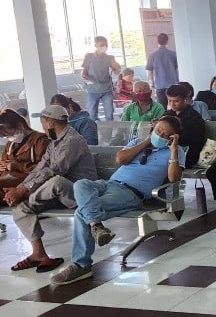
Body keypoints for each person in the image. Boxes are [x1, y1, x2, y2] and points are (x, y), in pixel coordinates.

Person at [51, 116, 186, 285]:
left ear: (172, 138)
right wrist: (145, 142)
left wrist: (173, 150)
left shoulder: (176, 151)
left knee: (81, 212)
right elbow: (120, 159)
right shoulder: (137, 142)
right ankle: (97, 226)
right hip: (109, 184)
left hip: (130, 193)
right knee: (81, 184)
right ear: (153, 127)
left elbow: (174, 178)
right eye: (158, 129)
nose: (159, 135)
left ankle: (81, 264)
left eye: (165, 135)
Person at [5, 105, 97, 272]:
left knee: (57, 181)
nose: (43, 128)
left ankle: (29, 197)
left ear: (49, 123)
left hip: (79, 193)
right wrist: (20, 187)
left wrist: (25, 190)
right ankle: (38, 254)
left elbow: (54, 170)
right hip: (56, 195)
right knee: (20, 207)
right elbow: (40, 168)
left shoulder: (73, 141)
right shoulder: (54, 143)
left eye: (42, 124)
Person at [0, 110, 48, 266]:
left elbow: (44, 170)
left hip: (28, 186)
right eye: (4, 136)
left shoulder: (40, 140)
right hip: (7, 185)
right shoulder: (10, 144)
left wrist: (17, 165)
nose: (7, 138)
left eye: (8, 133)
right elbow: (1, 173)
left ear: (19, 125)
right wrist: (2, 167)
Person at [164, 85, 206, 169]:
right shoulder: (167, 115)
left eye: (176, 101)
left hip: (186, 153)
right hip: (166, 151)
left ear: (185, 99)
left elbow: (195, 142)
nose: (172, 104)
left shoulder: (194, 117)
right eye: (169, 101)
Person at [81, 36, 121, 121]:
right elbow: (84, 71)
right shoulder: (89, 56)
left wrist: (116, 68)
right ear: (96, 45)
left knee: (109, 114)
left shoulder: (110, 58)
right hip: (92, 89)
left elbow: (117, 70)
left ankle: (109, 133)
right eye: (101, 45)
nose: (104, 47)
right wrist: (84, 77)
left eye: (106, 45)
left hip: (106, 89)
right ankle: (95, 132)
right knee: (92, 115)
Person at [146, 33, 179, 110]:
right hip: (173, 84)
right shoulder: (173, 54)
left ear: (157, 41)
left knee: (162, 108)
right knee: (175, 107)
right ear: (167, 41)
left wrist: (152, 83)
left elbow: (150, 71)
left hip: (160, 85)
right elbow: (177, 69)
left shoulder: (152, 55)